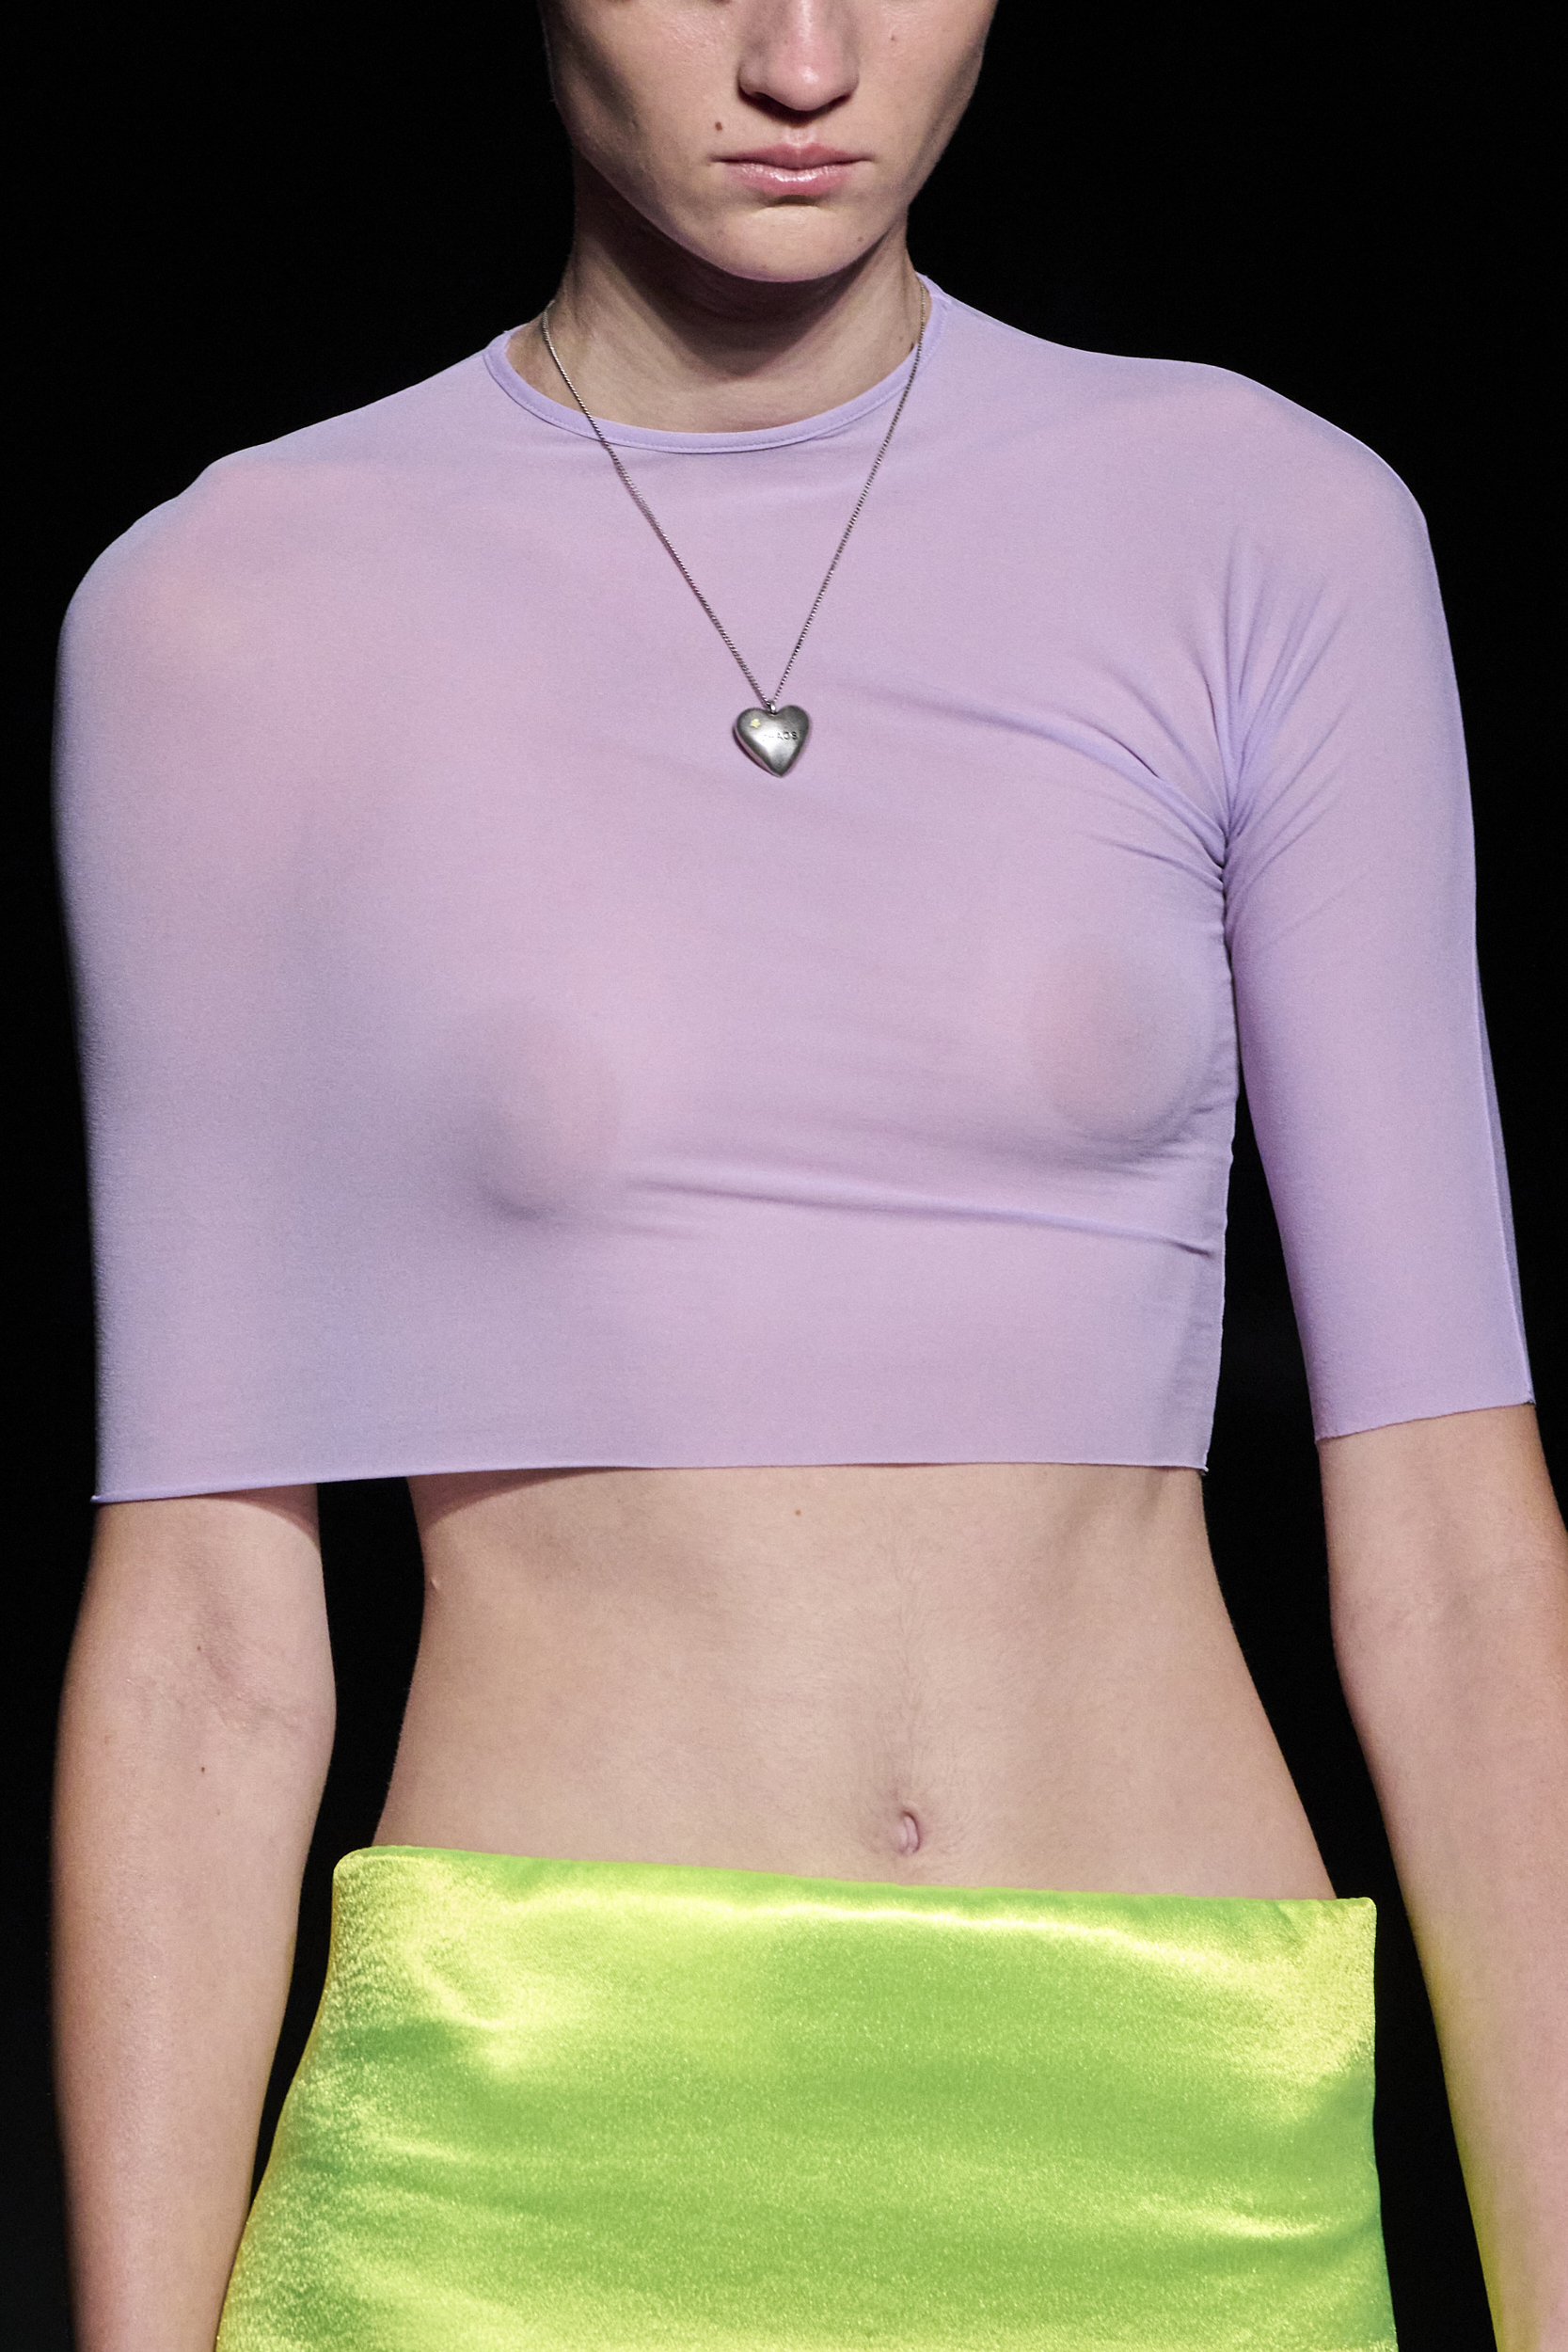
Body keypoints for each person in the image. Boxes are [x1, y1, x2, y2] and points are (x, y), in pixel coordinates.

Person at [51, 3, 1567, 2347]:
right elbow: (206, 1635)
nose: (803, 56)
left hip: (1177, 2146)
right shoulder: (235, 605)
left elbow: (1460, 1550)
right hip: (520, 2156)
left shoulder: (1266, 526)